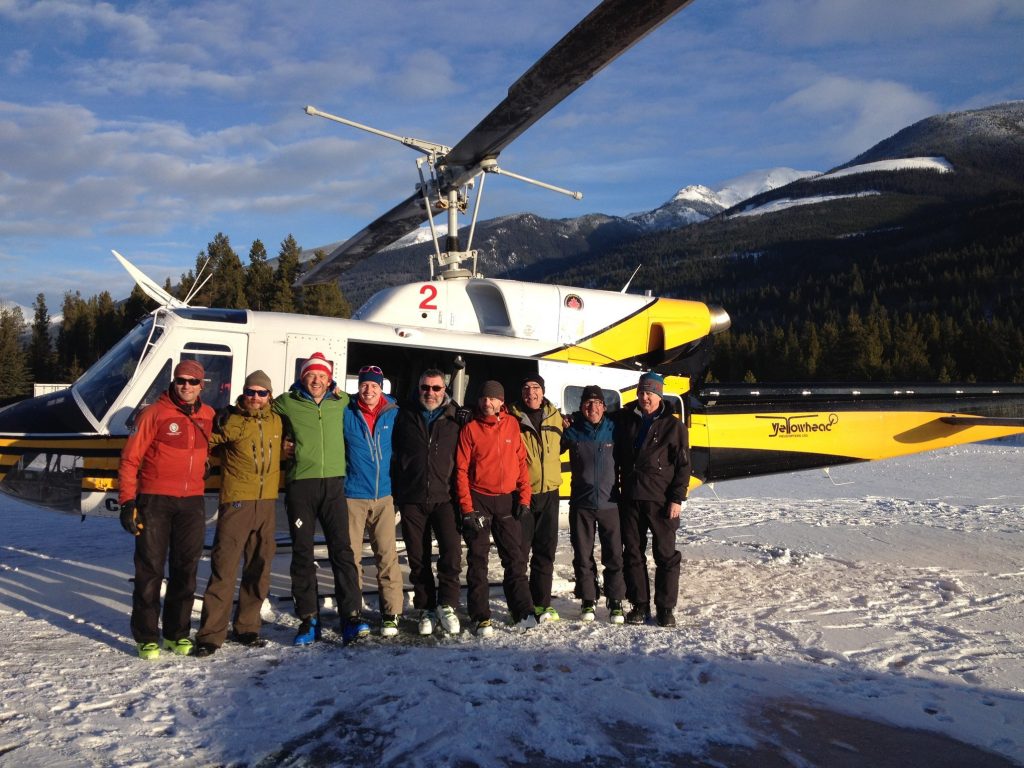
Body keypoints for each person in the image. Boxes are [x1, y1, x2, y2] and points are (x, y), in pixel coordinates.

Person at [118, 359, 215, 659]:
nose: (186, 385)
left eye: (192, 381)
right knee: (150, 569)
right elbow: (130, 459)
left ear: (202, 386)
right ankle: (146, 636)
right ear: (174, 382)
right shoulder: (154, 413)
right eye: (181, 380)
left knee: (186, 570)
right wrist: (127, 502)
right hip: (155, 500)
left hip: (192, 501)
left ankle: (177, 633)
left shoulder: (208, 415)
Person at [273, 352, 368, 646]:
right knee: (303, 553)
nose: (316, 380)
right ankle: (308, 619)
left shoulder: (340, 401)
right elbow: (260, 408)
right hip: (302, 484)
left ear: (330, 379)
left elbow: (370, 402)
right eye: (311, 376)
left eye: (322, 376)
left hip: (334, 486)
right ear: (303, 378)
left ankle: (350, 616)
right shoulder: (287, 402)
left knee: (342, 551)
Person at [193, 370, 283, 658]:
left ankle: (247, 626)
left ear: (269, 396)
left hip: (267, 503)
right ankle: (210, 634)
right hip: (237, 503)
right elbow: (203, 442)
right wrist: (202, 461)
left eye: (262, 392)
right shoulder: (230, 420)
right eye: (251, 392)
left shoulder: (277, 420)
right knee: (225, 568)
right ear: (243, 393)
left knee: (259, 568)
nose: (256, 398)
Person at [455, 380, 537, 637]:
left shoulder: (512, 424)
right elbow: (460, 470)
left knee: (515, 558)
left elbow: (521, 462)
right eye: (484, 398)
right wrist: (467, 509)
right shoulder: (470, 429)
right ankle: (480, 616)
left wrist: (524, 497)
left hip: (507, 499)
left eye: (492, 399)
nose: (487, 403)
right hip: (479, 498)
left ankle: (522, 611)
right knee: (477, 560)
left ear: (502, 401)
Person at [613, 371, 690, 627]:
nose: (645, 397)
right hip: (631, 498)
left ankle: (666, 608)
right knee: (633, 554)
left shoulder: (673, 426)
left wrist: (676, 499)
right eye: (642, 392)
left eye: (650, 393)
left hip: (661, 500)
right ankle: (639, 605)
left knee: (665, 554)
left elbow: (683, 466)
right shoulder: (626, 419)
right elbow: (599, 418)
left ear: (659, 395)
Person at [392, 369, 463, 635]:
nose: (430, 393)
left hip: (445, 497)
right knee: (417, 557)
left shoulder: (456, 417)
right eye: (425, 388)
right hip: (412, 497)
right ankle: (426, 606)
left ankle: (447, 604)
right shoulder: (404, 414)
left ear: (444, 390)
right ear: (418, 388)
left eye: (435, 388)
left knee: (451, 553)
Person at [343, 365, 403, 637]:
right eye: (365, 385)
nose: (368, 390)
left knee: (387, 555)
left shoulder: (394, 413)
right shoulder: (346, 411)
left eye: (374, 386)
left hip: (384, 495)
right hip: (353, 495)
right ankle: (353, 611)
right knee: (351, 558)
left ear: (382, 388)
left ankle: (391, 613)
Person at [561, 385, 626, 624]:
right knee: (583, 554)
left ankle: (615, 600)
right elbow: (550, 448)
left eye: (597, 403)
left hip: (610, 503)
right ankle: (588, 598)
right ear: (581, 407)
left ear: (604, 407)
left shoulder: (614, 428)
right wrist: (563, 422)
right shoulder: (572, 431)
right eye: (587, 403)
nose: (592, 407)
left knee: (614, 555)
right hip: (581, 503)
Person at [509, 374, 565, 623]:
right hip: (523, 494)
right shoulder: (511, 417)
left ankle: (542, 604)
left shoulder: (556, 418)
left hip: (551, 493)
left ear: (543, 392)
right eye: (526, 388)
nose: (531, 392)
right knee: (519, 555)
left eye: (535, 388)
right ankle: (521, 607)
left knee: (545, 552)